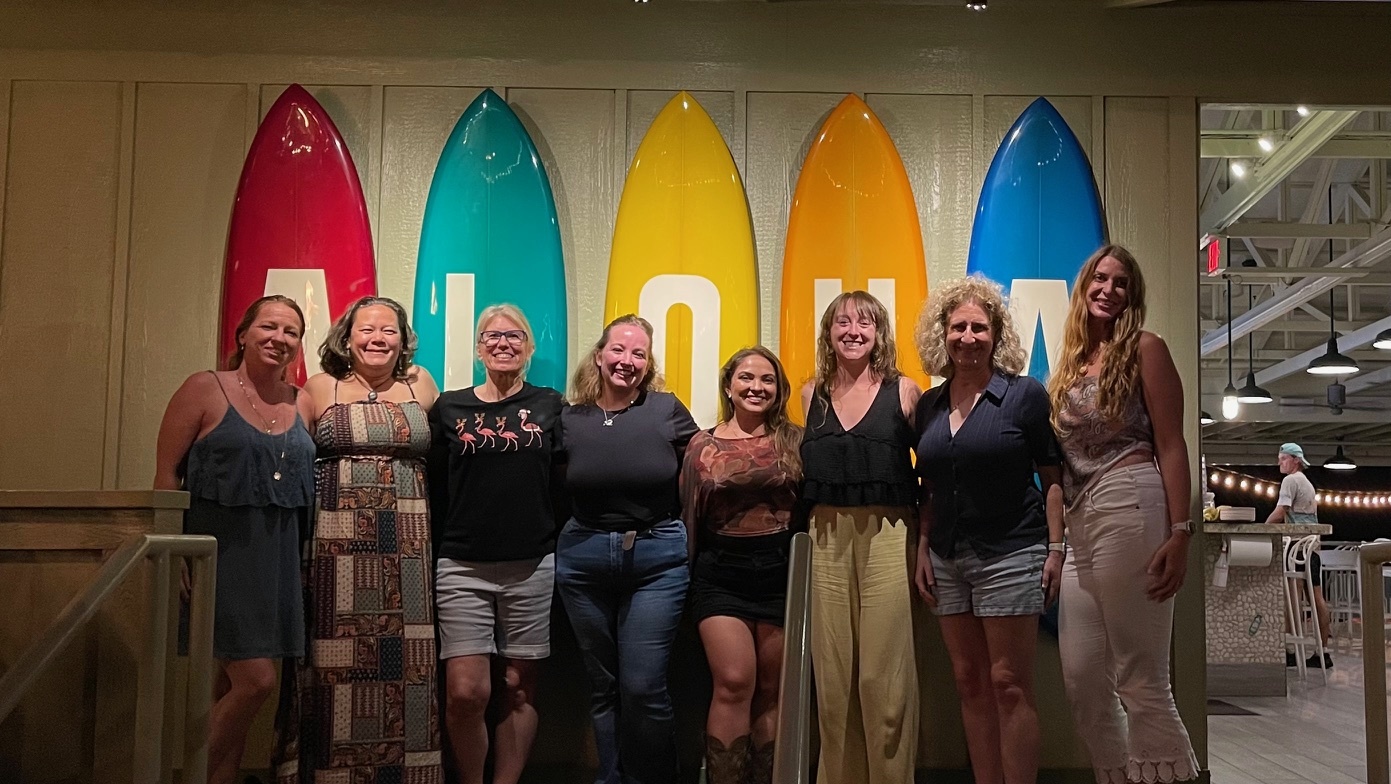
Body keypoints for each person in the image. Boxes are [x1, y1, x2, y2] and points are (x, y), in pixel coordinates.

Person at [273, 296, 442, 784]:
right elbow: (289, 459)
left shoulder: (422, 385)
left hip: (408, 545)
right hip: (334, 547)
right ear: (347, 338)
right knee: (334, 660)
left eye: (389, 331)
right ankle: (330, 772)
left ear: (403, 341)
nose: (378, 339)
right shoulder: (320, 387)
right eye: (367, 330)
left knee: (406, 663)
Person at [1047, 245, 1199, 784]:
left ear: (1131, 296)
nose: (1108, 290)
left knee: (1140, 678)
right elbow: (1058, 470)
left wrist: (1182, 532)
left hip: (1131, 499)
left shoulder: (1146, 349)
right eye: (1100, 279)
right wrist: (1057, 542)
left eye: (1121, 284)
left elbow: (1172, 444)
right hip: (1083, 521)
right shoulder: (1067, 368)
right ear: (1085, 284)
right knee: (1082, 680)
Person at [155, 295, 315, 784]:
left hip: (279, 559)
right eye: (269, 327)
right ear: (242, 334)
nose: (279, 339)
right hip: (219, 557)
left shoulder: (301, 400)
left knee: (227, 687)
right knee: (256, 682)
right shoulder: (205, 389)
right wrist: (174, 550)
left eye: (291, 331)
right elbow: (165, 478)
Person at [911, 277, 1064, 784]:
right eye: (958, 327)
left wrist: (1056, 549)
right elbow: (929, 486)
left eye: (980, 327)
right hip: (947, 558)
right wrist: (922, 550)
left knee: (1009, 685)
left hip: (1012, 553)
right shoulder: (929, 406)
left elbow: (1053, 477)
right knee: (969, 682)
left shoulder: (1023, 396)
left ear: (996, 335)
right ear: (944, 334)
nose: (968, 337)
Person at [427, 304, 566, 784]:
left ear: (528, 347)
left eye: (514, 336)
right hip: (462, 564)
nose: (503, 343)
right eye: (492, 336)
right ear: (478, 347)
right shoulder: (449, 406)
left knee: (519, 689)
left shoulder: (550, 405)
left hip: (531, 563)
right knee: (466, 692)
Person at [557, 314, 699, 784]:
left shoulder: (666, 409)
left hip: (656, 558)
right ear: (599, 356)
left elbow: (703, 465)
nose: (627, 361)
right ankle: (611, 778)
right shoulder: (569, 417)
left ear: (648, 363)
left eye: (639, 353)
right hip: (583, 557)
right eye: (618, 350)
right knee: (603, 686)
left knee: (643, 686)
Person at [799, 291, 921, 784]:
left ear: (879, 333)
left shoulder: (905, 390)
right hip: (824, 534)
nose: (853, 330)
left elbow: (930, 471)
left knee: (882, 678)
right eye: (842, 322)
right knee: (832, 679)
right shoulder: (811, 393)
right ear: (828, 332)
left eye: (865, 323)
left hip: (889, 535)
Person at [680, 346, 802, 784]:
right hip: (720, 574)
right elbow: (689, 519)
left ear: (779, 389)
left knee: (771, 691)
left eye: (767, 379)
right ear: (729, 386)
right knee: (734, 682)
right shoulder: (701, 445)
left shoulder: (797, 441)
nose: (756, 387)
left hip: (782, 574)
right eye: (747, 378)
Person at [1266, 442, 1330, 668]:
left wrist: (1263, 527)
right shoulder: (1307, 484)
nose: (1279, 462)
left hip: (1295, 547)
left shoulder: (1290, 481)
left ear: (1295, 460)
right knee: (1316, 597)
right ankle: (1323, 651)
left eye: (1282, 458)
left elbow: (1281, 510)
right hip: (1312, 547)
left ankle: (1291, 650)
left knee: (1291, 598)